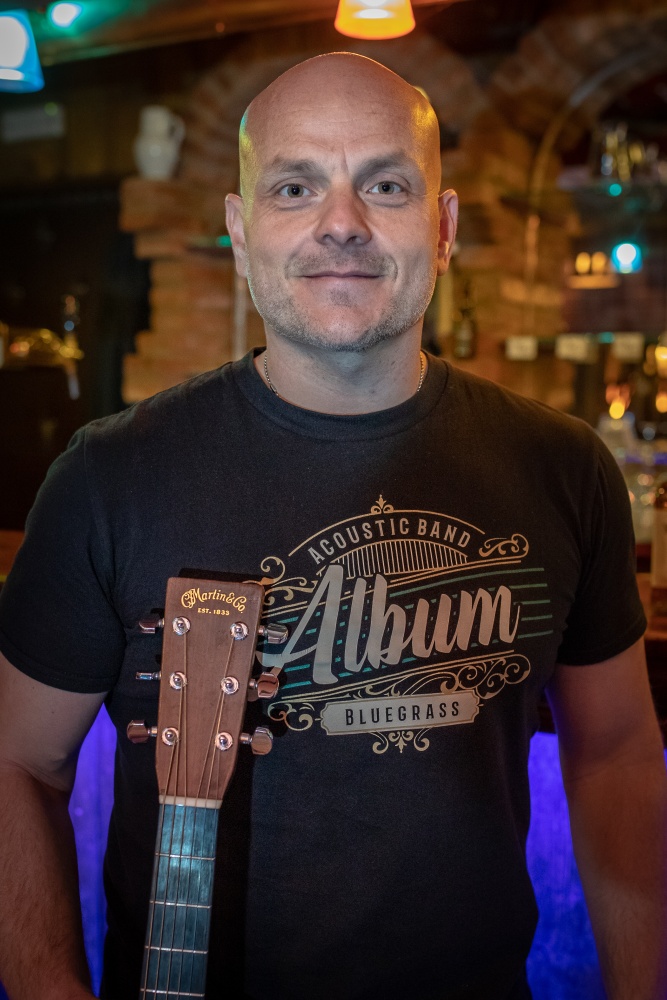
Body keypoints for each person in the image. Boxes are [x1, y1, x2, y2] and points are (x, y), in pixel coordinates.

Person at [0, 52, 665, 1000]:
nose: (341, 222)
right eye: (295, 186)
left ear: (442, 228)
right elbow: (17, 763)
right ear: (241, 233)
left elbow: (617, 756)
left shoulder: (562, 468)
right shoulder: (109, 477)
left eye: (385, 185)